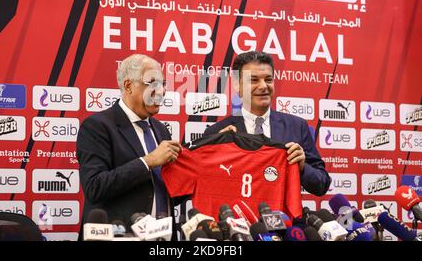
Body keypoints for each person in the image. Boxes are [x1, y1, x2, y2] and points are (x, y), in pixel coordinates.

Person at [76, 54, 182, 236]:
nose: (162, 91)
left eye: (163, 84)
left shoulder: (161, 130)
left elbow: (167, 190)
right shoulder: (97, 126)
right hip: (117, 236)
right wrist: (147, 162)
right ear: (128, 86)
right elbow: (95, 187)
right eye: (153, 84)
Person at [203, 51, 331, 196]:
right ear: (238, 86)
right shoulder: (217, 133)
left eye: (268, 79)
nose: (263, 86)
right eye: (254, 80)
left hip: (285, 217)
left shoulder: (297, 126)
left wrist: (302, 167)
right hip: (236, 216)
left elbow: (322, 184)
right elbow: (205, 186)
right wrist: (217, 155)